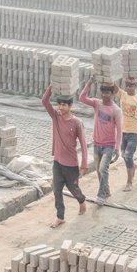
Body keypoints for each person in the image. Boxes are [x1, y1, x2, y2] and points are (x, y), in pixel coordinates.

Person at [42, 85, 89, 228]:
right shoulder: (55, 117)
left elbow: (84, 144)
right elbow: (44, 101)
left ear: (70, 106)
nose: (60, 108)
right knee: (57, 190)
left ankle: (81, 201)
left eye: (63, 105)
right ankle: (60, 217)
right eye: (59, 105)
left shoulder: (76, 123)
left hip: (71, 164)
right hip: (58, 162)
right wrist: (53, 85)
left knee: (73, 189)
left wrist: (84, 164)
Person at [79, 78, 122, 204]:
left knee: (103, 169)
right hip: (97, 143)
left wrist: (117, 148)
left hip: (109, 145)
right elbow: (82, 98)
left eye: (107, 92)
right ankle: (106, 190)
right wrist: (90, 82)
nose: (104, 95)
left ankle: (101, 195)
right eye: (102, 92)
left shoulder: (116, 110)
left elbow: (119, 130)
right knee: (98, 171)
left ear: (112, 94)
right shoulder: (97, 104)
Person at [114, 78, 137, 191]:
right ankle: (133, 166)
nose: (129, 87)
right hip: (123, 132)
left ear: (136, 86)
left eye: (131, 85)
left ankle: (129, 182)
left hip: (134, 133)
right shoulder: (122, 95)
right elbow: (112, 85)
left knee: (128, 155)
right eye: (127, 85)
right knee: (124, 155)